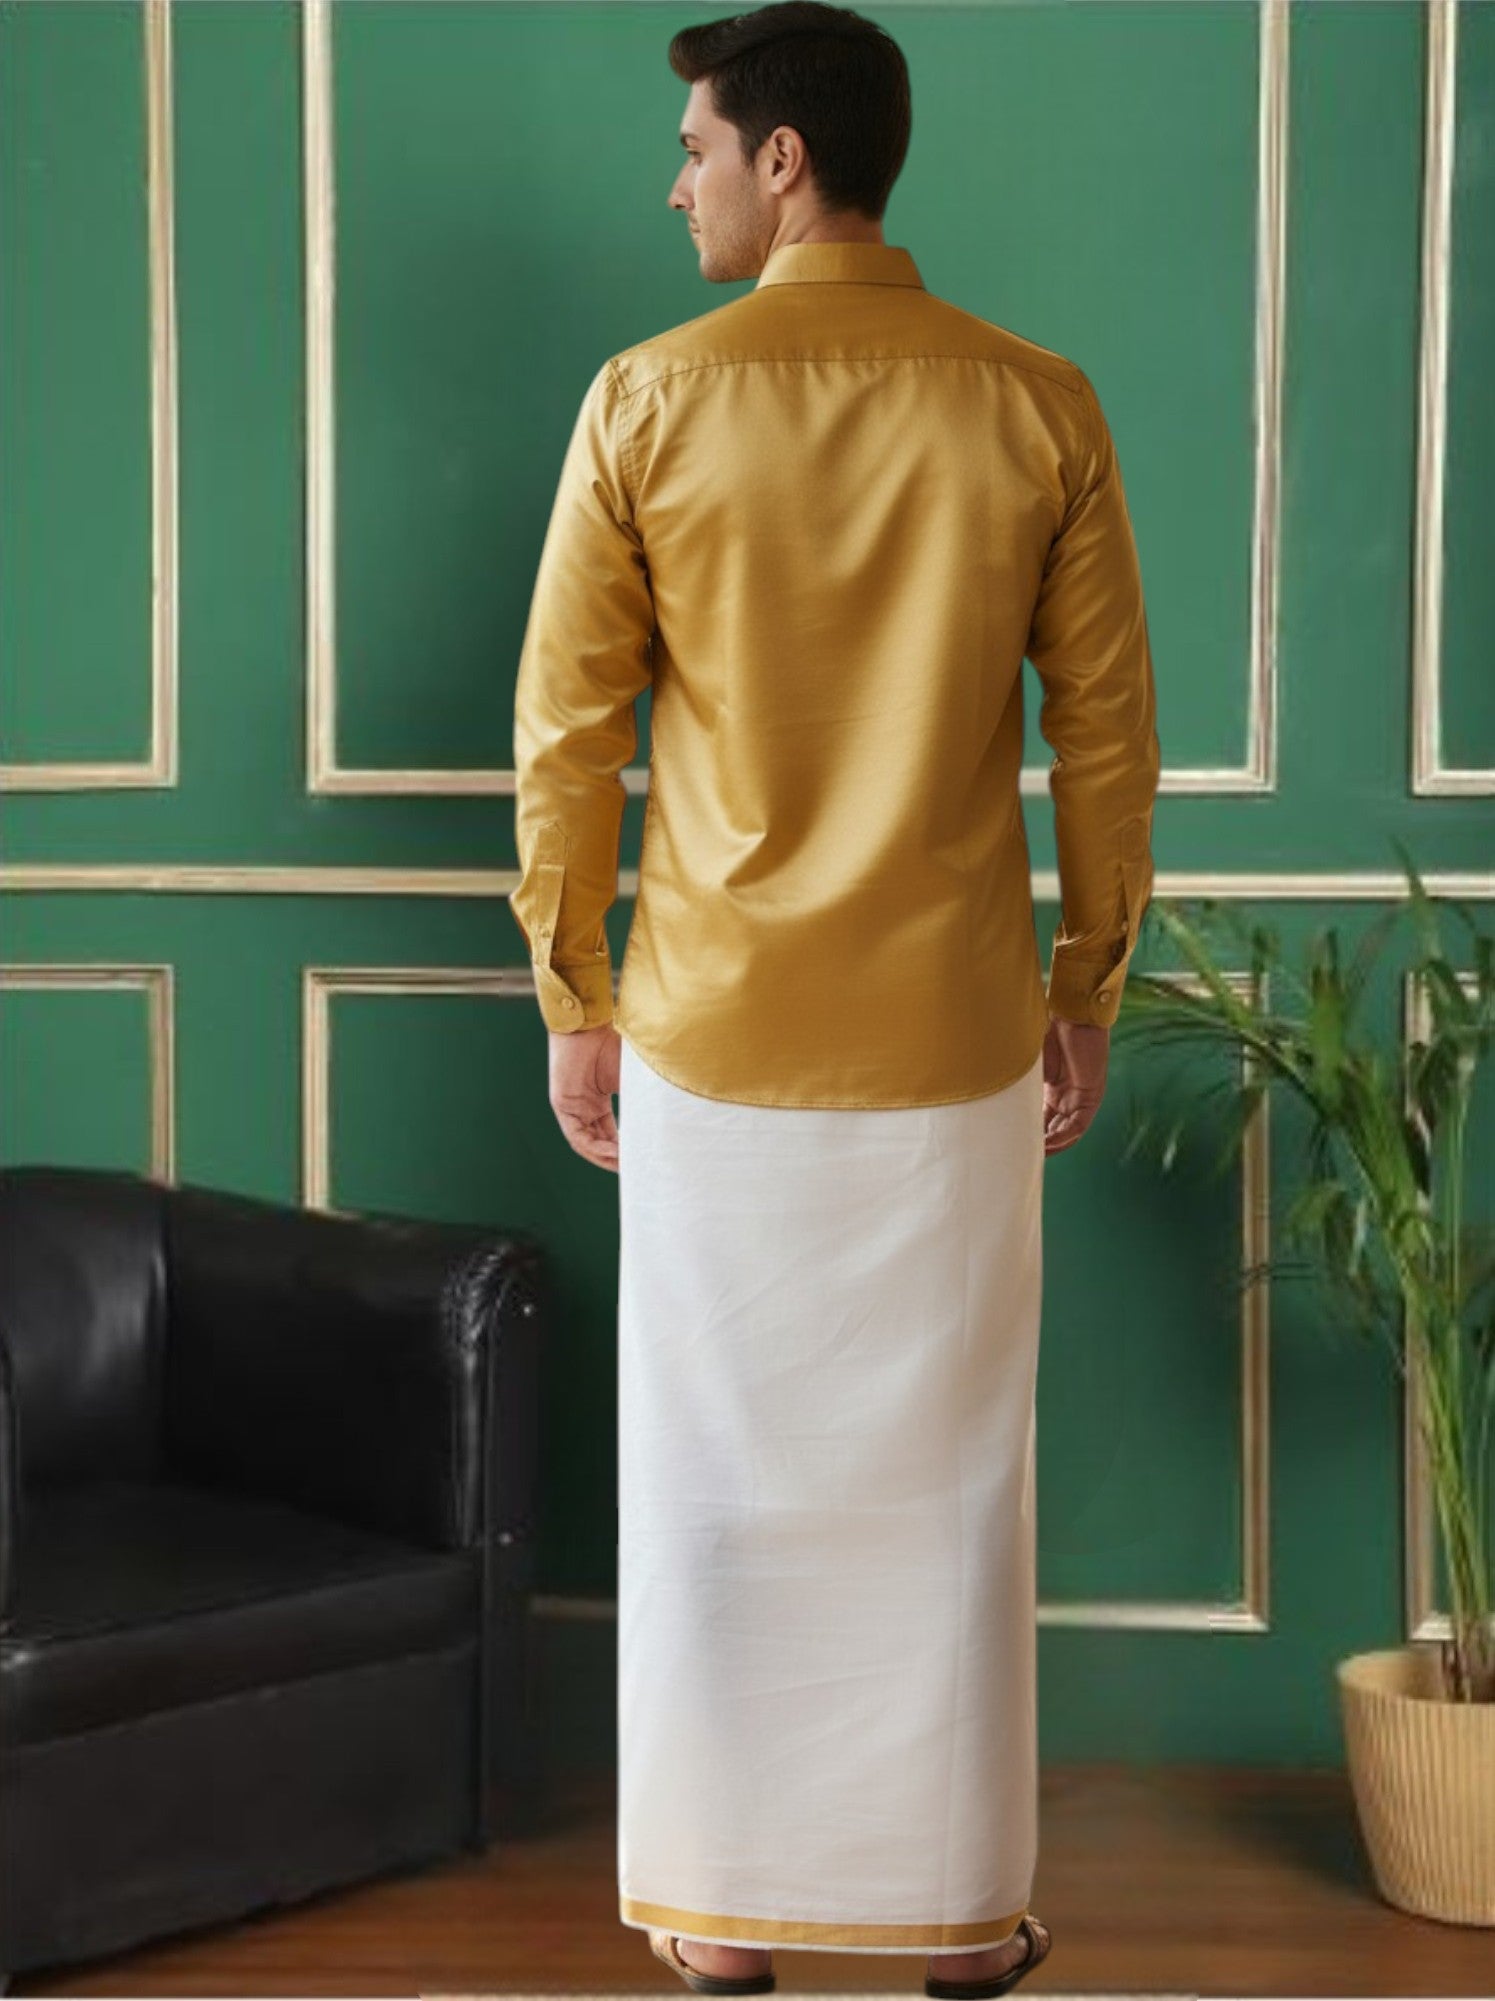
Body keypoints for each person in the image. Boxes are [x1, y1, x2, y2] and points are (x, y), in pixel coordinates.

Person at [508, 4, 1161, 1995]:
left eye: (697, 146)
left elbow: (569, 732)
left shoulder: (645, 399)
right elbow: (1107, 739)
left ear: (782, 159)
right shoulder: (1038, 403)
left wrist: (575, 986)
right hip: (954, 1038)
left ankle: (718, 1917)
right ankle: (961, 1920)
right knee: (949, 1488)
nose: (679, 183)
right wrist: (1086, 978)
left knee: (714, 1481)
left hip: (712, 1035)